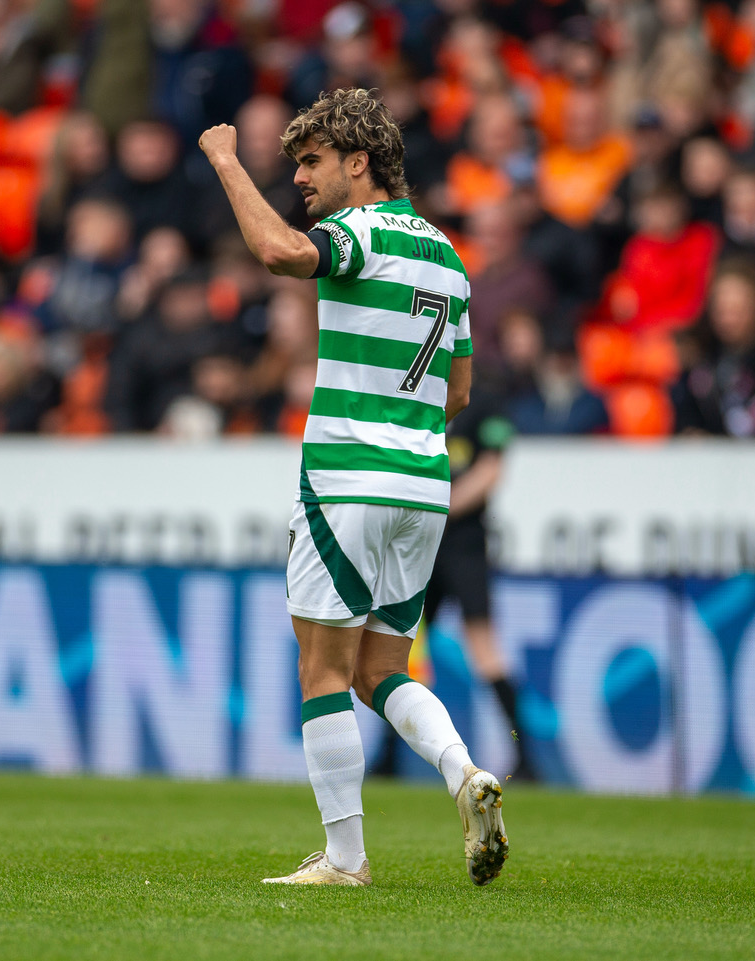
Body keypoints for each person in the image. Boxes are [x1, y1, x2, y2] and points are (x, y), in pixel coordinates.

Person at [199, 87, 509, 888]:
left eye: (310, 162)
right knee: (381, 669)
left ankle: (344, 858)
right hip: (423, 485)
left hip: (346, 480)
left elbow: (280, 255)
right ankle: (463, 771)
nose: (300, 178)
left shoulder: (354, 232)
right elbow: (460, 392)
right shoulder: (446, 254)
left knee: (322, 670)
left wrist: (227, 162)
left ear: (358, 163)